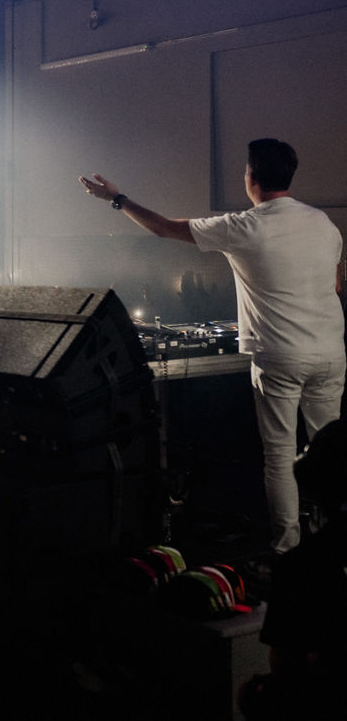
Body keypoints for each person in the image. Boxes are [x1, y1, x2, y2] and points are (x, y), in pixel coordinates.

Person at [80, 138, 345, 554]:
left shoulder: (243, 226)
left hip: (280, 356)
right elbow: (335, 284)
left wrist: (118, 199)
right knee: (332, 451)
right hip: (331, 352)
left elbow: (164, 228)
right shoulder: (323, 224)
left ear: (251, 178)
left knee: (279, 456)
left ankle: (288, 552)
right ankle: (336, 544)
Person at [240, 418, 347, 720]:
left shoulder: (302, 567)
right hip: (330, 368)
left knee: (278, 449)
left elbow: (286, 668)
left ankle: (286, 537)